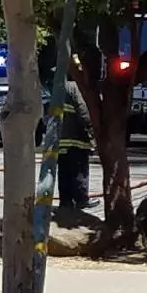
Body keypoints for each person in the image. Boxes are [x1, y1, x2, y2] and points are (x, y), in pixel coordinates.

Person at [57, 67, 98, 210]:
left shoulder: (57, 88)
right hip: (76, 140)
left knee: (64, 172)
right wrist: (91, 133)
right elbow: (83, 112)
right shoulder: (75, 87)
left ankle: (65, 201)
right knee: (79, 170)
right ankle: (81, 199)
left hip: (60, 140)